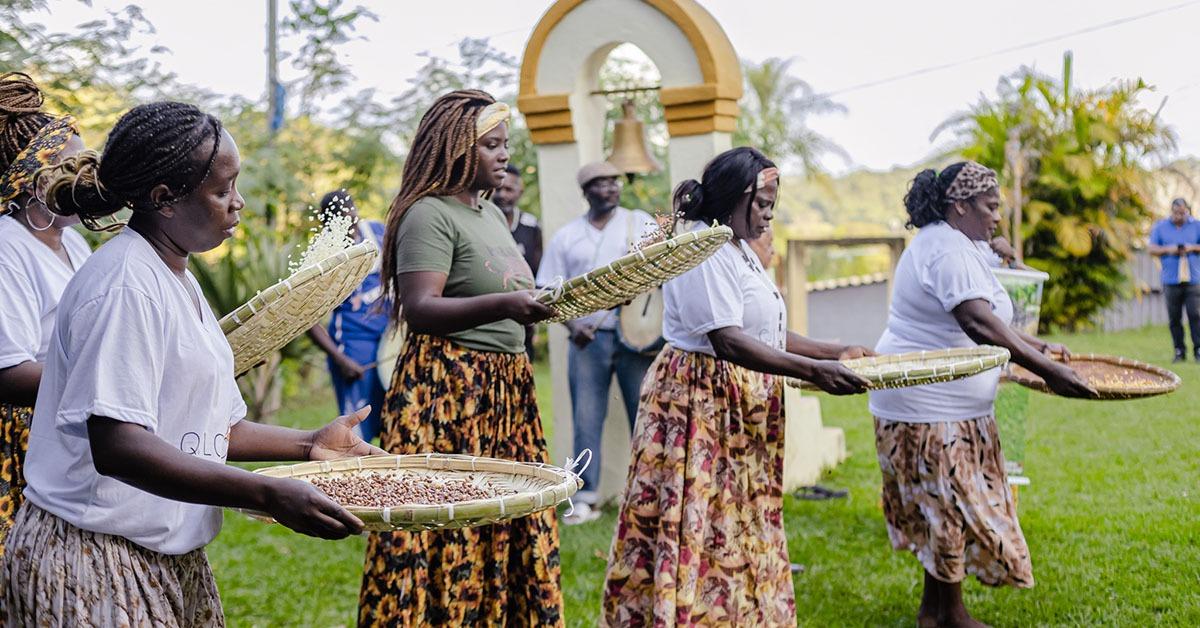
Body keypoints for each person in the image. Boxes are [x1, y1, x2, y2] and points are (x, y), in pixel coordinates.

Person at [0, 101, 383, 626]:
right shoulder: (125, 285)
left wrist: (307, 443)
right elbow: (119, 446)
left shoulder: (173, 274)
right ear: (165, 200)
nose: (238, 203)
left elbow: (212, 424)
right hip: (94, 558)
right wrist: (265, 490)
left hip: (156, 553)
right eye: (222, 190)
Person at [603, 147, 873, 626]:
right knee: (699, 522)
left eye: (773, 203)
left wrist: (834, 351)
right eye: (763, 202)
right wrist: (812, 373)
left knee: (737, 521)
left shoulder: (740, 249)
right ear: (733, 196)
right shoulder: (700, 249)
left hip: (735, 407)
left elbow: (764, 332)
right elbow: (727, 341)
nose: (769, 213)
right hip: (698, 406)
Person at [360, 90, 561, 627]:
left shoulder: (490, 212)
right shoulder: (429, 215)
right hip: (449, 389)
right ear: (455, 149)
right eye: (490, 145)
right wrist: (510, 304)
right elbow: (421, 309)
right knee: (450, 523)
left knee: (505, 517)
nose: (503, 156)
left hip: (505, 390)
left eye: (504, 144)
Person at [869, 161, 1095, 628]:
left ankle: (936, 612)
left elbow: (993, 315)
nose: (997, 217)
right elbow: (976, 322)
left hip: (948, 406)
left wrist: (1038, 345)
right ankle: (949, 616)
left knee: (943, 506)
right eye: (990, 207)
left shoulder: (958, 244)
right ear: (960, 206)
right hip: (927, 407)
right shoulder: (945, 250)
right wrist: (1047, 368)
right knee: (946, 506)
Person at [536, 160, 658, 524]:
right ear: (586, 192)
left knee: (646, 412)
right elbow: (548, 290)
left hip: (636, 334)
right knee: (587, 416)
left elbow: (660, 268)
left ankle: (648, 491)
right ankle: (585, 496)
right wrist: (574, 329)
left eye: (615, 182)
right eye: (602, 183)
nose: (611, 189)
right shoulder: (567, 236)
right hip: (588, 339)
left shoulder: (640, 223)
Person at [0, 72, 89, 553]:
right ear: (29, 178)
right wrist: (98, 377)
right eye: (70, 164)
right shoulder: (6, 247)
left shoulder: (73, 242)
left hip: (65, 425)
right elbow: (8, 371)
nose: (86, 175)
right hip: (22, 444)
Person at [306, 189, 389, 442]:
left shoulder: (377, 232)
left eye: (350, 208)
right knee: (357, 428)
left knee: (392, 418)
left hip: (388, 339)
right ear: (326, 222)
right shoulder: (323, 254)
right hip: (353, 346)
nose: (348, 216)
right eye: (339, 214)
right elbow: (308, 319)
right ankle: (357, 477)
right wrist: (341, 359)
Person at [493, 163, 543, 357]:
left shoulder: (531, 226)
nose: (502, 195)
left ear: (520, 191)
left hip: (523, 314)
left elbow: (538, 270)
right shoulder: (481, 221)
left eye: (509, 189)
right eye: (498, 189)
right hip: (489, 311)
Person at [1148, 198, 1200, 362]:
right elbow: (1151, 249)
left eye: (1183, 213)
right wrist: (1169, 249)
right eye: (1176, 213)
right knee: (1174, 318)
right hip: (1170, 280)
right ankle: (1179, 351)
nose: (1179, 216)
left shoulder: (1196, 225)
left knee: (1195, 315)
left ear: (1187, 211)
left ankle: (1198, 350)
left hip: (1193, 280)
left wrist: (1192, 247)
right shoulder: (1160, 227)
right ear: (1172, 211)